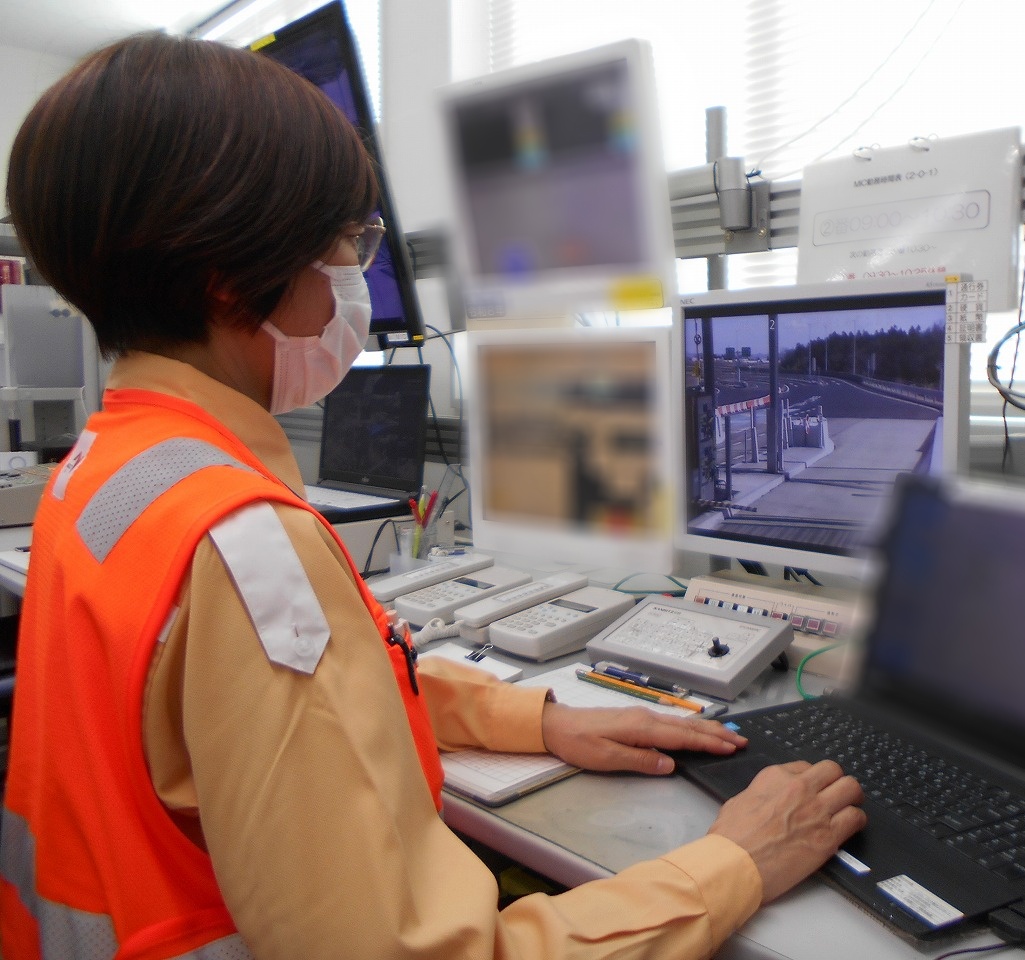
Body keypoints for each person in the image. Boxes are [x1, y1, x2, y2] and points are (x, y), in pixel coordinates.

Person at [0, 32, 866, 960]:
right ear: (225, 276)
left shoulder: (109, 467)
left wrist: (541, 720)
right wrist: (731, 863)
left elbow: (306, 704)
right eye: (343, 243)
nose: (354, 277)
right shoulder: (242, 546)